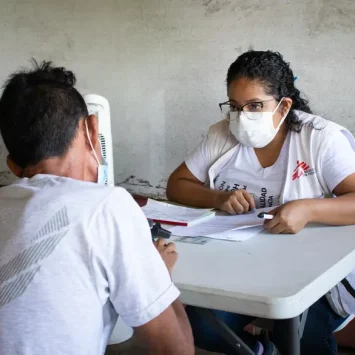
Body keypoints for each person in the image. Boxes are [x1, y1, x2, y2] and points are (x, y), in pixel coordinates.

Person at [167, 50, 355, 355]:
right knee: (199, 325)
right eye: (234, 106)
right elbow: (177, 185)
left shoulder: (320, 139)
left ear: (283, 107)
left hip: (314, 270)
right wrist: (218, 197)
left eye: (255, 106)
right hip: (244, 264)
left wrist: (309, 208)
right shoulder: (222, 135)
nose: (242, 117)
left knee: (298, 332)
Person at [0, 61, 194, 355]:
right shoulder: (107, 206)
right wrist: (159, 275)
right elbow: (177, 350)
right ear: (92, 129)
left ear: (13, 166)